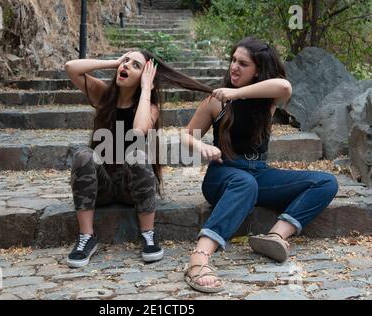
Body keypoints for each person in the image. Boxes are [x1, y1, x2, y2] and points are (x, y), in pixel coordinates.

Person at [181, 37, 339, 293]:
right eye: (233, 60)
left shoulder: (267, 99)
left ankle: (275, 236)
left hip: (259, 173)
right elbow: (187, 135)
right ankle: (199, 257)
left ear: (258, 71)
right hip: (223, 174)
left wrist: (236, 93)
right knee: (245, 184)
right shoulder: (216, 101)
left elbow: (285, 86)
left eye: (243, 63)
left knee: (325, 182)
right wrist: (203, 148)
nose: (234, 67)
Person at [64, 50, 213, 268]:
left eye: (135, 65)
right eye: (125, 61)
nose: (126, 66)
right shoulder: (103, 95)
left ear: (145, 76)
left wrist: (145, 89)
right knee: (83, 155)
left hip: (131, 188)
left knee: (137, 155)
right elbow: (70, 67)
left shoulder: (149, 107)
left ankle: (148, 235)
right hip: (102, 185)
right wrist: (114, 61)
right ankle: (87, 237)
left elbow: (139, 130)